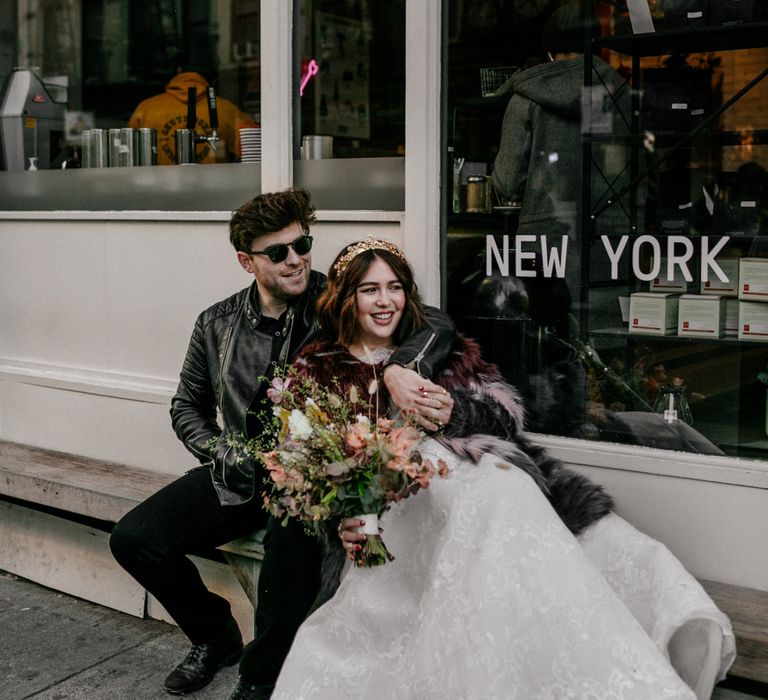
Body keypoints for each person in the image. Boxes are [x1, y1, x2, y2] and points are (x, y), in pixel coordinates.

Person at [269, 238, 735, 700]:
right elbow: (301, 465)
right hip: (404, 511)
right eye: (370, 289)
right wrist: (341, 516)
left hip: (490, 478)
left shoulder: (443, 349)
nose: (386, 300)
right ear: (346, 296)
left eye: (395, 287)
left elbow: (507, 417)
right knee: (494, 507)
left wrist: (454, 411)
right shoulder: (319, 367)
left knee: (601, 542)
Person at [109, 189, 457, 700]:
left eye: (302, 245)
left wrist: (406, 368)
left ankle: (261, 676)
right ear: (246, 261)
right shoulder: (215, 323)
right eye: (278, 252)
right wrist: (221, 451)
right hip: (239, 471)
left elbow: (433, 320)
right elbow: (186, 405)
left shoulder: (334, 300)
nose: (296, 260)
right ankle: (214, 637)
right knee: (134, 539)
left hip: (315, 475)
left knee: (289, 544)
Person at [491, 4, 634, 314]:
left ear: (550, 50)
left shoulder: (526, 96)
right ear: (597, 47)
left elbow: (508, 183)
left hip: (544, 245)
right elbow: (626, 168)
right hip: (607, 241)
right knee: (602, 335)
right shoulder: (615, 94)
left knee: (545, 337)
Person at [128, 70, 257, 164]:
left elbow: (129, 155)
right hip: (214, 191)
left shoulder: (146, 109)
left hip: (159, 191)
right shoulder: (226, 109)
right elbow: (254, 152)